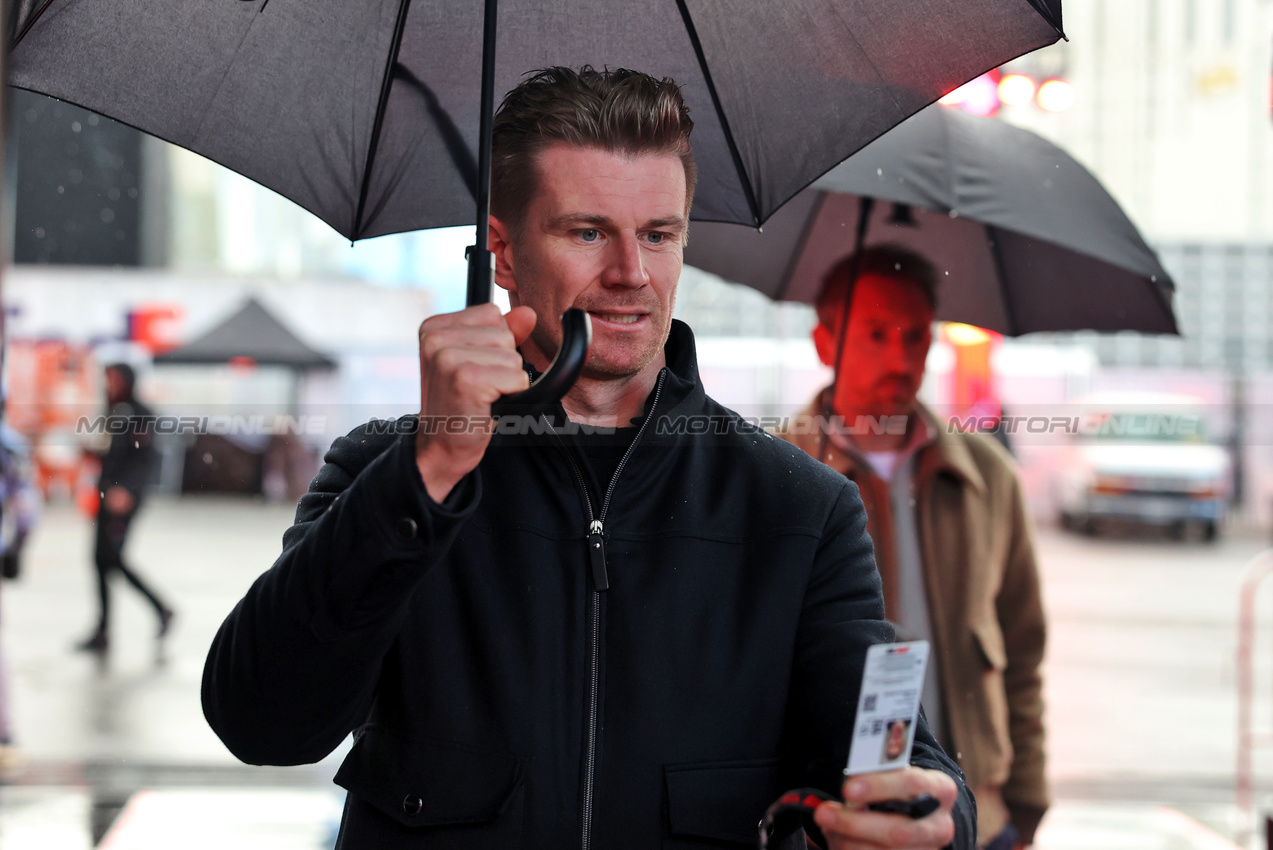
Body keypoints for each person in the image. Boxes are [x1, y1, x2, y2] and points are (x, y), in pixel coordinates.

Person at [202, 67, 975, 850]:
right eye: (587, 232)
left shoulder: (797, 507)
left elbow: (895, 762)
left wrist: (927, 819)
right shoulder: (383, 473)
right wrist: (426, 474)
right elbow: (262, 722)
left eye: (657, 235)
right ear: (501, 253)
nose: (631, 273)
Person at [776, 245, 1047, 850]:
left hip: (978, 819)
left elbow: (1022, 649)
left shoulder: (987, 477)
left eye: (917, 336)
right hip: (838, 823)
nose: (900, 358)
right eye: (876, 334)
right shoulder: (776, 477)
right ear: (824, 342)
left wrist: (1025, 805)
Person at [75, 363, 174, 652]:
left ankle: (161, 608)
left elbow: (145, 459)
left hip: (123, 500)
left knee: (113, 559)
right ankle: (103, 630)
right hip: (106, 495)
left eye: (114, 379)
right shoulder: (114, 412)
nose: (109, 384)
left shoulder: (140, 413)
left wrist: (127, 490)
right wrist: (93, 453)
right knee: (100, 560)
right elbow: (115, 454)